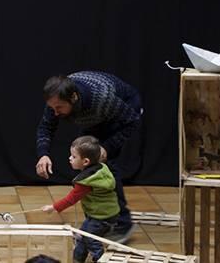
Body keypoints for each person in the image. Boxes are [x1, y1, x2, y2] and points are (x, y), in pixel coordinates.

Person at [35, 71, 141, 243]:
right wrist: (43, 154)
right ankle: (96, 221)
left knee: (104, 169)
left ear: (74, 98)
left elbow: (132, 121)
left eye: (59, 108)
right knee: (83, 161)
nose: (55, 113)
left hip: (123, 109)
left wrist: (106, 148)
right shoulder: (56, 98)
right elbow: (46, 127)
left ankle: (122, 224)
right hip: (94, 115)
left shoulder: (102, 99)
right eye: (52, 108)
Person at [42, 136, 119, 263]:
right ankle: (77, 259)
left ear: (86, 162)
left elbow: (71, 199)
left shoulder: (86, 182)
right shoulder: (101, 168)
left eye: (73, 156)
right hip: (107, 212)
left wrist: (53, 207)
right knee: (83, 236)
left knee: (89, 238)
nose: (69, 158)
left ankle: (101, 259)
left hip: (101, 217)